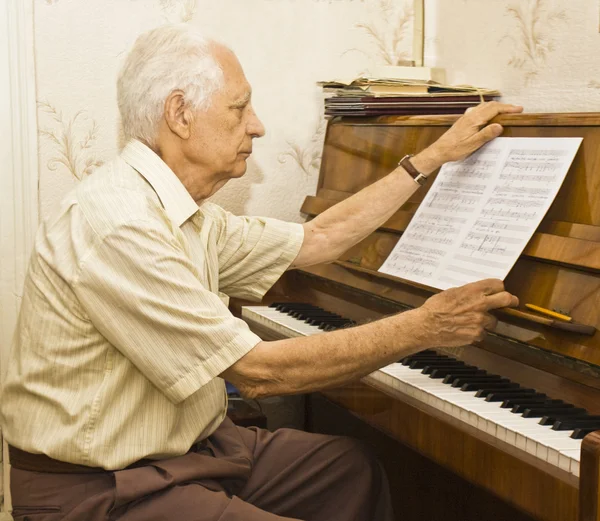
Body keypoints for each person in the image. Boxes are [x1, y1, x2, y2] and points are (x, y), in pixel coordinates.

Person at [0, 24, 522, 521]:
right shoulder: (120, 223)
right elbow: (260, 373)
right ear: (180, 114)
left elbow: (317, 240)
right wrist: (425, 327)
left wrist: (430, 158)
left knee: (349, 470)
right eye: (239, 106)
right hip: (98, 488)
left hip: (190, 452)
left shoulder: (183, 211)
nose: (257, 124)